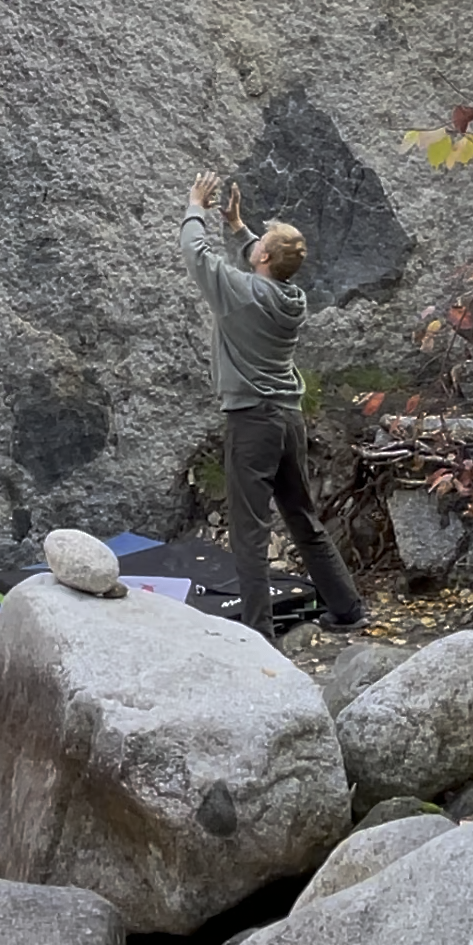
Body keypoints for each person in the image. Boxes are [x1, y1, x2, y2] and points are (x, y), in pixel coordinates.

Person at [183, 171, 370, 639]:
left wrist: (195, 207)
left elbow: (196, 255)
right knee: (301, 514)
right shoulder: (291, 298)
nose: (254, 247)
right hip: (288, 420)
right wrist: (241, 229)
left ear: (264, 258)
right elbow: (259, 260)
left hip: (251, 423)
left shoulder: (241, 295)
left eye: (259, 243)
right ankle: (346, 607)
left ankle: (258, 636)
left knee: (249, 531)